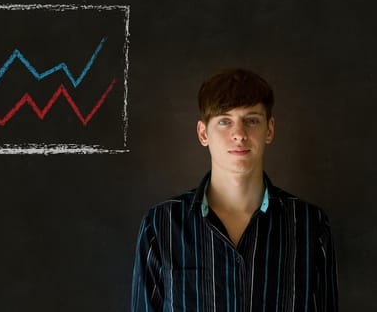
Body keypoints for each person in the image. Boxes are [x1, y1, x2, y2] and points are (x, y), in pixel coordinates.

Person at [131, 69, 338, 312]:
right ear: (203, 133)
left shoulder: (310, 226)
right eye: (224, 121)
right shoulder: (160, 225)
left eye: (251, 120)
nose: (239, 134)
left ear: (269, 130)